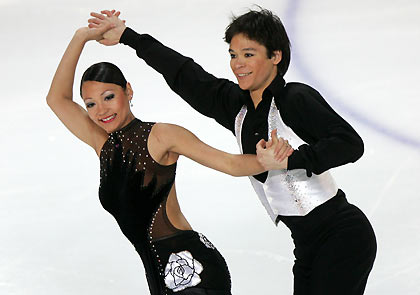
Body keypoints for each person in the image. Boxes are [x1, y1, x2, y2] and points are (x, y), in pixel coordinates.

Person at [88, 7, 377, 295]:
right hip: (306, 244)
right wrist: (129, 37)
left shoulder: (294, 99)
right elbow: (184, 73)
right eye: (233, 55)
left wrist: (294, 158)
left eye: (248, 55)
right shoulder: (235, 106)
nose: (238, 64)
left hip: (342, 236)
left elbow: (349, 143)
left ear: (275, 56)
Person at [46, 18, 292, 295]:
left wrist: (266, 160)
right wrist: (81, 37)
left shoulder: (161, 136)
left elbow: (229, 163)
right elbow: (57, 99)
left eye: (109, 97)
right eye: (90, 104)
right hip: (159, 275)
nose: (101, 110)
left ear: (128, 91)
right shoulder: (103, 145)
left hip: (192, 268)